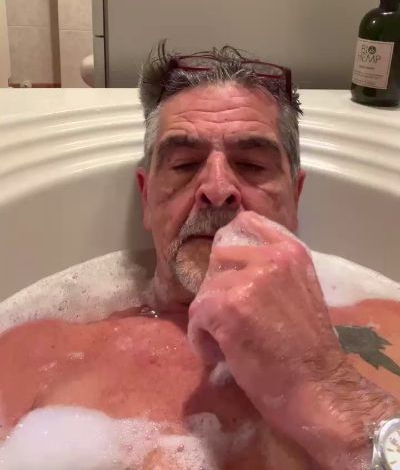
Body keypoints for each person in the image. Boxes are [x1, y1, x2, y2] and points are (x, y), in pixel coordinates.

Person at [0, 43, 399, 469]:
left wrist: (325, 384)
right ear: (146, 197)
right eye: (185, 164)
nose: (217, 187)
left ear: (295, 196)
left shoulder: (387, 328)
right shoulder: (38, 356)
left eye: (252, 165)